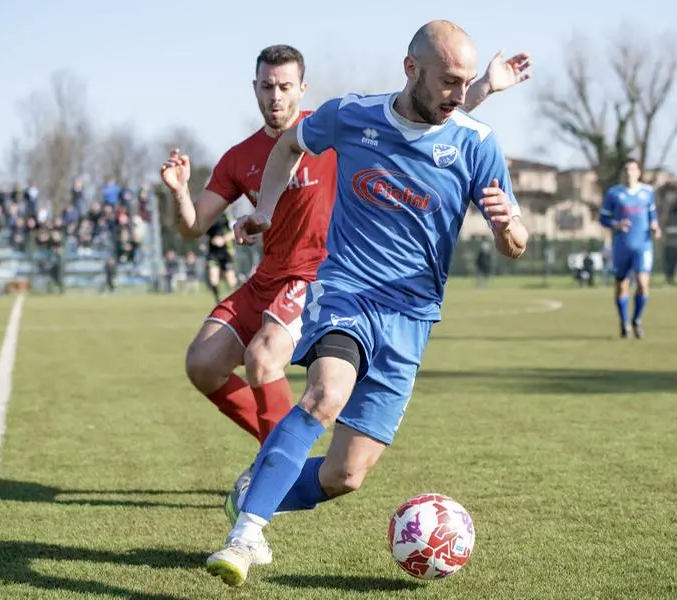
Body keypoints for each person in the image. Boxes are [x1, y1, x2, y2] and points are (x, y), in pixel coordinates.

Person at [205, 20, 530, 587]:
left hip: (413, 320)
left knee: (344, 475)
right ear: (411, 70)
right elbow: (288, 146)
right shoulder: (352, 115)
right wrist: (267, 209)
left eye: (468, 83)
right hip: (348, 291)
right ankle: (245, 535)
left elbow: (518, 239)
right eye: (449, 81)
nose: (459, 93)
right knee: (325, 392)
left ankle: (252, 492)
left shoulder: (476, 143)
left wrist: (509, 230)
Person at [159, 45, 531, 461]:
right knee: (202, 362)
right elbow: (192, 227)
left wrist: (483, 88)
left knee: (262, 360)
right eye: (267, 87)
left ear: (302, 88)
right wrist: (178, 193)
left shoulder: (335, 132)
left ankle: (277, 466)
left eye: (284, 86)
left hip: (320, 276)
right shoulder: (238, 157)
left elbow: (419, 122)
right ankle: (280, 451)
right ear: (255, 89)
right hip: (267, 277)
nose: (275, 96)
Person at [598, 158, 661, 339]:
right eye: (626, 169)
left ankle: (637, 319)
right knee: (621, 286)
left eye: (632, 169)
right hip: (622, 246)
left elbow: (652, 215)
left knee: (642, 284)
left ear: (639, 172)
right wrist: (616, 224)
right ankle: (624, 322)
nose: (629, 173)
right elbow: (603, 219)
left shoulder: (647, 192)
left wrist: (655, 226)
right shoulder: (614, 194)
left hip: (643, 245)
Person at [204, 213, 238, 303]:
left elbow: (236, 232)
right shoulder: (208, 217)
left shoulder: (226, 217)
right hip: (213, 253)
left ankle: (237, 301)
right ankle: (218, 301)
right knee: (213, 279)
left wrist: (223, 239)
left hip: (226, 253)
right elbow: (204, 233)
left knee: (231, 281)